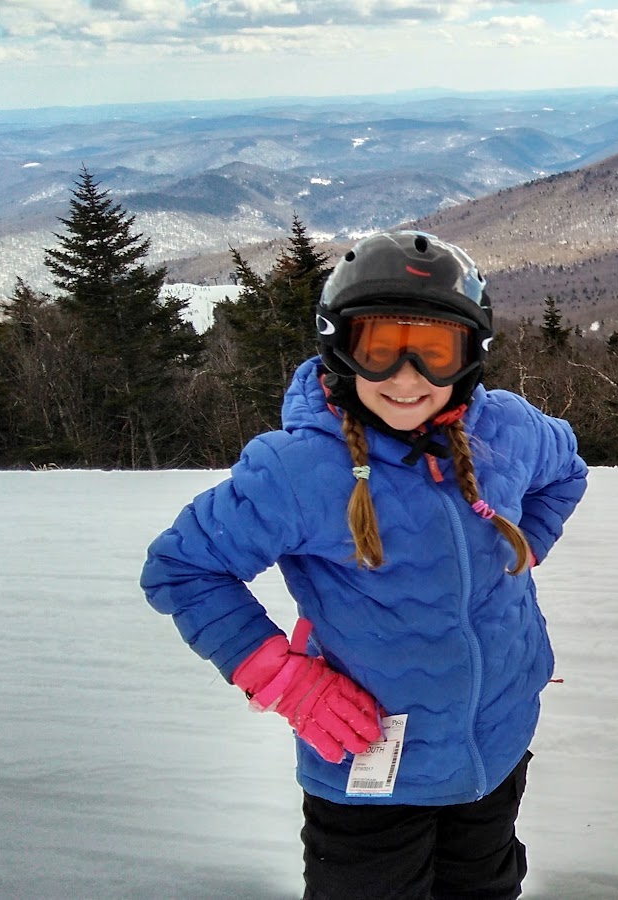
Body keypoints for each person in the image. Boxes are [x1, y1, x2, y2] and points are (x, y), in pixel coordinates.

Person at [141, 230, 588, 900]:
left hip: (494, 746)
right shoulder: (299, 469)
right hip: (368, 769)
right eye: (379, 349)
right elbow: (183, 568)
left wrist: (520, 552)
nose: (407, 377)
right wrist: (287, 682)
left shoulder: (507, 431)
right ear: (340, 349)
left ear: (471, 353)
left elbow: (566, 471)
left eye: (435, 350)